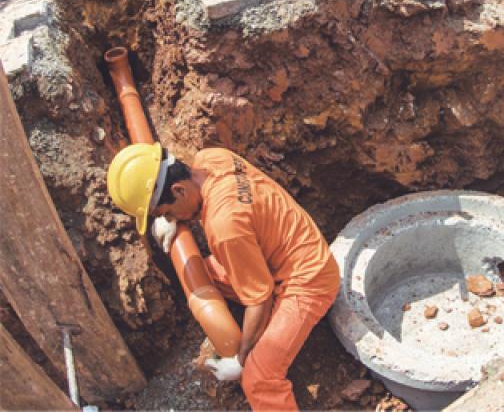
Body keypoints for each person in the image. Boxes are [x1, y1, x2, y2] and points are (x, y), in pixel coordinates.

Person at [106, 143, 340, 410]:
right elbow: (210, 207)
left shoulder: (224, 226)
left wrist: (240, 361)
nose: (171, 217)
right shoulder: (211, 158)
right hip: (279, 250)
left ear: (178, 190)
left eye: (167, 212)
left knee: (258, 378)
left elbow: (260, 301)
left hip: (309, 279)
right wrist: (176, 219)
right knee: (205, 272)